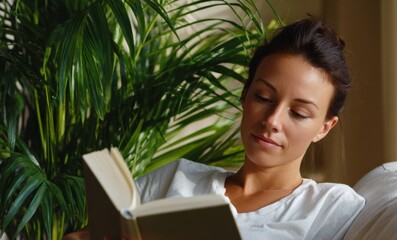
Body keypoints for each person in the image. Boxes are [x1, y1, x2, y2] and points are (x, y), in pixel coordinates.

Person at [64, 17, 364, 240]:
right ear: (245, 96)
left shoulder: (330, 205)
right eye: (263, 97)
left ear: (324, 127)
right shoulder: (175, 177)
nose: (272, 121)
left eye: (298, 113)